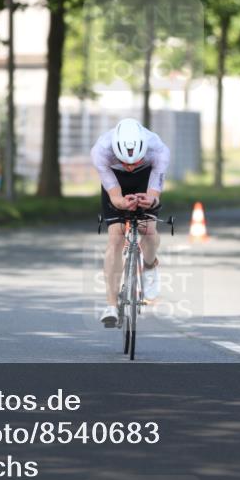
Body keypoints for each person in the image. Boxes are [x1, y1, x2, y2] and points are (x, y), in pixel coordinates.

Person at [91, 118, 170, 327]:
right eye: (125, 162)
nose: (130, 166)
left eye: (135, 162)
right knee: (115, 237)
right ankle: (111, 305)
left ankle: (150, 266)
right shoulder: (100, 151)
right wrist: (120, 202)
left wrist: (151, 199)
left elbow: (155, 194)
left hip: (145, 177)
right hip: (115, 179)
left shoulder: (159, 150)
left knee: (148, 229)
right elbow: (115, 197)